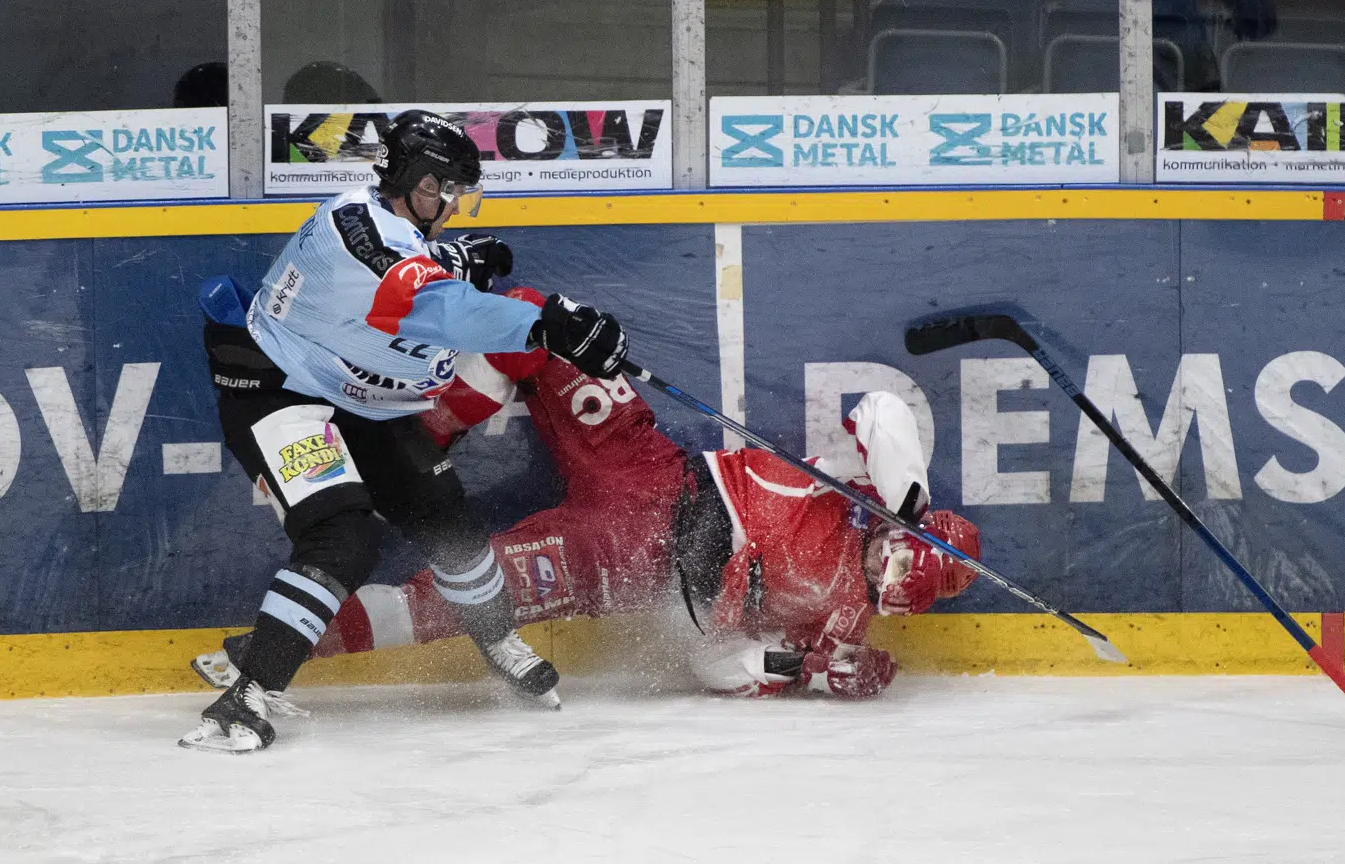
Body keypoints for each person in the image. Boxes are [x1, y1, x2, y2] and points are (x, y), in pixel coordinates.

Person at [195, 298, 981, 702]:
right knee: (546, 327)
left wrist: (803, 670)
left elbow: (713, 662)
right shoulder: (864, 487)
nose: (883, 579)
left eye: (899, 591)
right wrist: (908, 499)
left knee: (454, 601)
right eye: (899, 559)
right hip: (652, 470)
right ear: (904, 531)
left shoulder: (840, 624)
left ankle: (271, 650)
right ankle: (404, 443)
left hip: (620, 566)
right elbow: (884, 410)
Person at [181, 111, 629, 753]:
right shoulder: (352, 228)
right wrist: (548, 325)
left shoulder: (392, 225)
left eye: (459, 193)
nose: (453, 205)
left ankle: (497, 640)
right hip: (282, 393)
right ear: (416, 183)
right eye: (445, 190)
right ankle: (246, 697)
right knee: (344, 536)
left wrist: (464, 259)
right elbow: (427, 301)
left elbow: (418, 262)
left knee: (447, 519)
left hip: (363, 401)